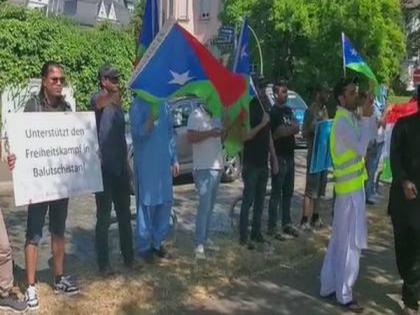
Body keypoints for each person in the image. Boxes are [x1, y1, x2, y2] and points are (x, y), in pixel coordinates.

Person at [7, 62, 79, 310]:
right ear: (44, 82)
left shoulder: (68, 109)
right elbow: (18, 141)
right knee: (33, 235)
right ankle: (30, 287)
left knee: (59, 231)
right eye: (54, 80)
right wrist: (13, 156)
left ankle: (59, 279)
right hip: (37, 182)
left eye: (61, 80)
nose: (59, 84)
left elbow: (75, 143)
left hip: (60, 182)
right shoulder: (33, 106)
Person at [320, 79, 374, 313]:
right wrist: (368, 117)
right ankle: (344, 293)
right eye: (352, 93)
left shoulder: (349, 117)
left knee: (340, 241)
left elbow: (369, 138)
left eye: (356, 92)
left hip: (351, 189)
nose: (356, 96)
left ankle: (329, 284)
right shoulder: (342, 122)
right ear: (341, 98)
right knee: (351, 243)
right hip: (350, 192)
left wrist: (367, 115)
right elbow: (362, 147)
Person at [91, 65, 134, 274]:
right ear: (103, 81)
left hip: (120, 170)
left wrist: (127, 165)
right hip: (103, 170)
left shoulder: (118, 107)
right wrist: (114, 94)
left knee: (125, 216)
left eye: (117, 79)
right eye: (112, 79)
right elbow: (99, 103)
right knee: (104, 219)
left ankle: (129, 258)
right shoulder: (97, 99)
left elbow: (121, 139)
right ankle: (103, 264)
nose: (117, 82)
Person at [129, 98, 179, 262]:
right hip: (147, 164)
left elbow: (170, 133)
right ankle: (144, 246)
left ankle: (157, 243)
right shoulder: (137, 105)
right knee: (146, 205)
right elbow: (137, 134)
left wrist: (174, 159)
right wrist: (149, 120)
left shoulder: (164, 103)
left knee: (165, 203)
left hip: (164, 164)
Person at [388, 86, 420, 315]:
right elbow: (395, 156)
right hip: (404, 197)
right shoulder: (404, 124)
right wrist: (404, 181)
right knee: (404, 245)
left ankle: (411, 296)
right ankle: (409, 285)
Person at [238, 79, 279, 249]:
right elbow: (244, 136)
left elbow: (268, 134)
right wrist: (261, 123)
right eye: (261, 87)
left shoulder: (266, 105)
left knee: (260, 200)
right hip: (251, 161)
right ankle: (243, 235)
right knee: (248, 199)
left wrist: (274, 157)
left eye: (265, 87)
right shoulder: (248, 106)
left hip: (263, 161)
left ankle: (256, 232)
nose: (263, 90)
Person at [187, 103, 225, 259]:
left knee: (210, 206)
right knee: (204, 207)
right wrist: (210, 132)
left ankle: (205, 237)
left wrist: (226, 128)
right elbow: (191, 137)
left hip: (217, 165)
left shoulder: (216, 114)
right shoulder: (195, 115)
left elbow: (221, 139)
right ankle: (199, 244)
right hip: (203, 167)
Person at [267, 80, 300, 240]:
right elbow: (278, 132)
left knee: (288, 192)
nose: (286, 94)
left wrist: (289, 129)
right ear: (275, 94)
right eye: (283, 91)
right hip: (279, 157)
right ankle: (273, 226)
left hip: (290, 155)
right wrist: (289, 130)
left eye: (286, 91)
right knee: (276, 193)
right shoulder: (273, 112)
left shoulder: (288, 110)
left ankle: (286, 222)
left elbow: (296, 126)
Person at [300, 85, 330, 231]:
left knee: (320, 187)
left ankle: (315, 216)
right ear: (318, 93)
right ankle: (304, 218)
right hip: (314, 153)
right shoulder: (311, 110)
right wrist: (313, 127)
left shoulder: (324, 110)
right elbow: (304, 132)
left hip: (323, 154)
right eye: (325, 92)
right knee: (310, 189)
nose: (328, 95)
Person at [365, 86, 387, 205]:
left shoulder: (377, 107)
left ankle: (372, 191)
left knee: (374, 168)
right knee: (370, 169)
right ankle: (368, 194)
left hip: (379, 140)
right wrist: (385, 113)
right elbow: (379, 124)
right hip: (373, 142)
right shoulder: (370, 109)